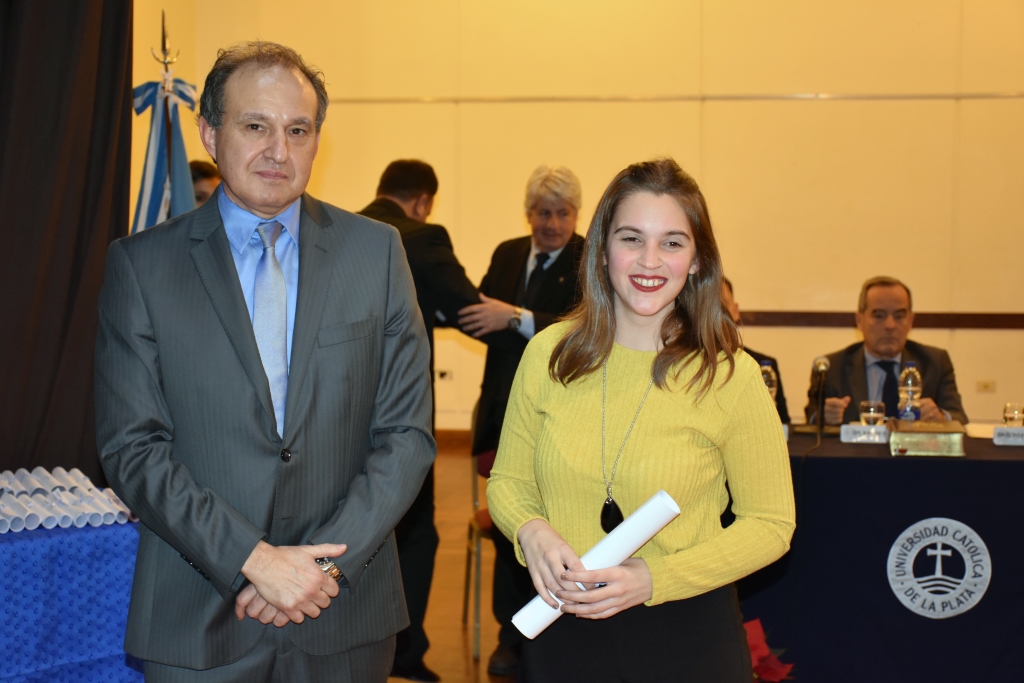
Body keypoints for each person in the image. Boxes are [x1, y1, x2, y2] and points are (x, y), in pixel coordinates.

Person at [94, 42, 434, 682]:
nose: (279, 150)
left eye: (298, 130)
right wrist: (254, 560)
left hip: (343, 615)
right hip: (196, 615)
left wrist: (321, 569)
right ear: (209, 133)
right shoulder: (142, 267)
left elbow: (407, 435)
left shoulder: (377, 254)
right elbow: (132, 447)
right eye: (256, 126)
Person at [486, 158, 795, 682]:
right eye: (631, 239)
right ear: (602, 250)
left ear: (697, 260)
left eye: (672, 243)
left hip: (687, 633)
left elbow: (771, 525)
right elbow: (508, 482)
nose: (650, 261)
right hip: (563, 627)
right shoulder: (548, 355)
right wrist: (532, 532)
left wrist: (656, 577)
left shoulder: (730, 375)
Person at [457, 165, 585, 676]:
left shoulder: (587, 258)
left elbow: (584, 328)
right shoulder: (508, 252)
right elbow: (478, 315)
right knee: (509, 529)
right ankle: (510, 636)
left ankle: (551, 635)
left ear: (577, 215)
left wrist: (514, 317)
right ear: (528, 213)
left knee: (553, 528)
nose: (552, 223)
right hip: (499, 412)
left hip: (560, 419)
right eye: (543, 212)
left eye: (562, 213)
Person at [359, 159, 478, 683]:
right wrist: (528, 327)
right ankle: (404, 653)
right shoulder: (424, 237)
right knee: (414, 531)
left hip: (339, 417)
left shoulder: (342, 230)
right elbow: (468, 307)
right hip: (401, 417)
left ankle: (357, 646)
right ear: (424, 201)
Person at [804, 276, 968, 425]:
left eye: (899, 316)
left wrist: (940, 416)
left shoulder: (935, 362)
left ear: (911, 321)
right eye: (879, 316)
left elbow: (958, 416)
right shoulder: (831, 367)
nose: (890, 325)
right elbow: (812, 416)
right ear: (859, 321)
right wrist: (823, 417)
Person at [721, 277, 790, 423]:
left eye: (723, 305)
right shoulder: (684, 366)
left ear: (736, 311)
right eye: (710, 306)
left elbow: (782, 426)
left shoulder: (764, 366)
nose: (717, 314)